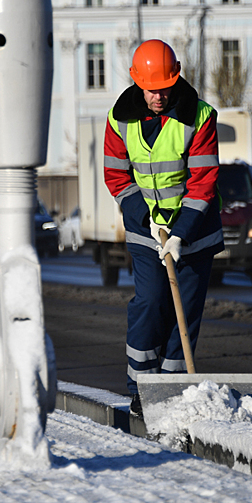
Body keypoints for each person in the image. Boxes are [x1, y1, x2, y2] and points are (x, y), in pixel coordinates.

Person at [103, 39, 224, 417]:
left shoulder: (199, 117)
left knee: (184, 315)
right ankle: (141, 387)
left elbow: (203, 180)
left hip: (195, 233)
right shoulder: (119, 119)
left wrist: (179, 233)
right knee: (152, 302)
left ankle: (171, 392)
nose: (158, 95)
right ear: (138, 82)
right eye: (152, 89)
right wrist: (146, 217)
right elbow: (116, 177)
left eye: (165, 88)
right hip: (146, 234)